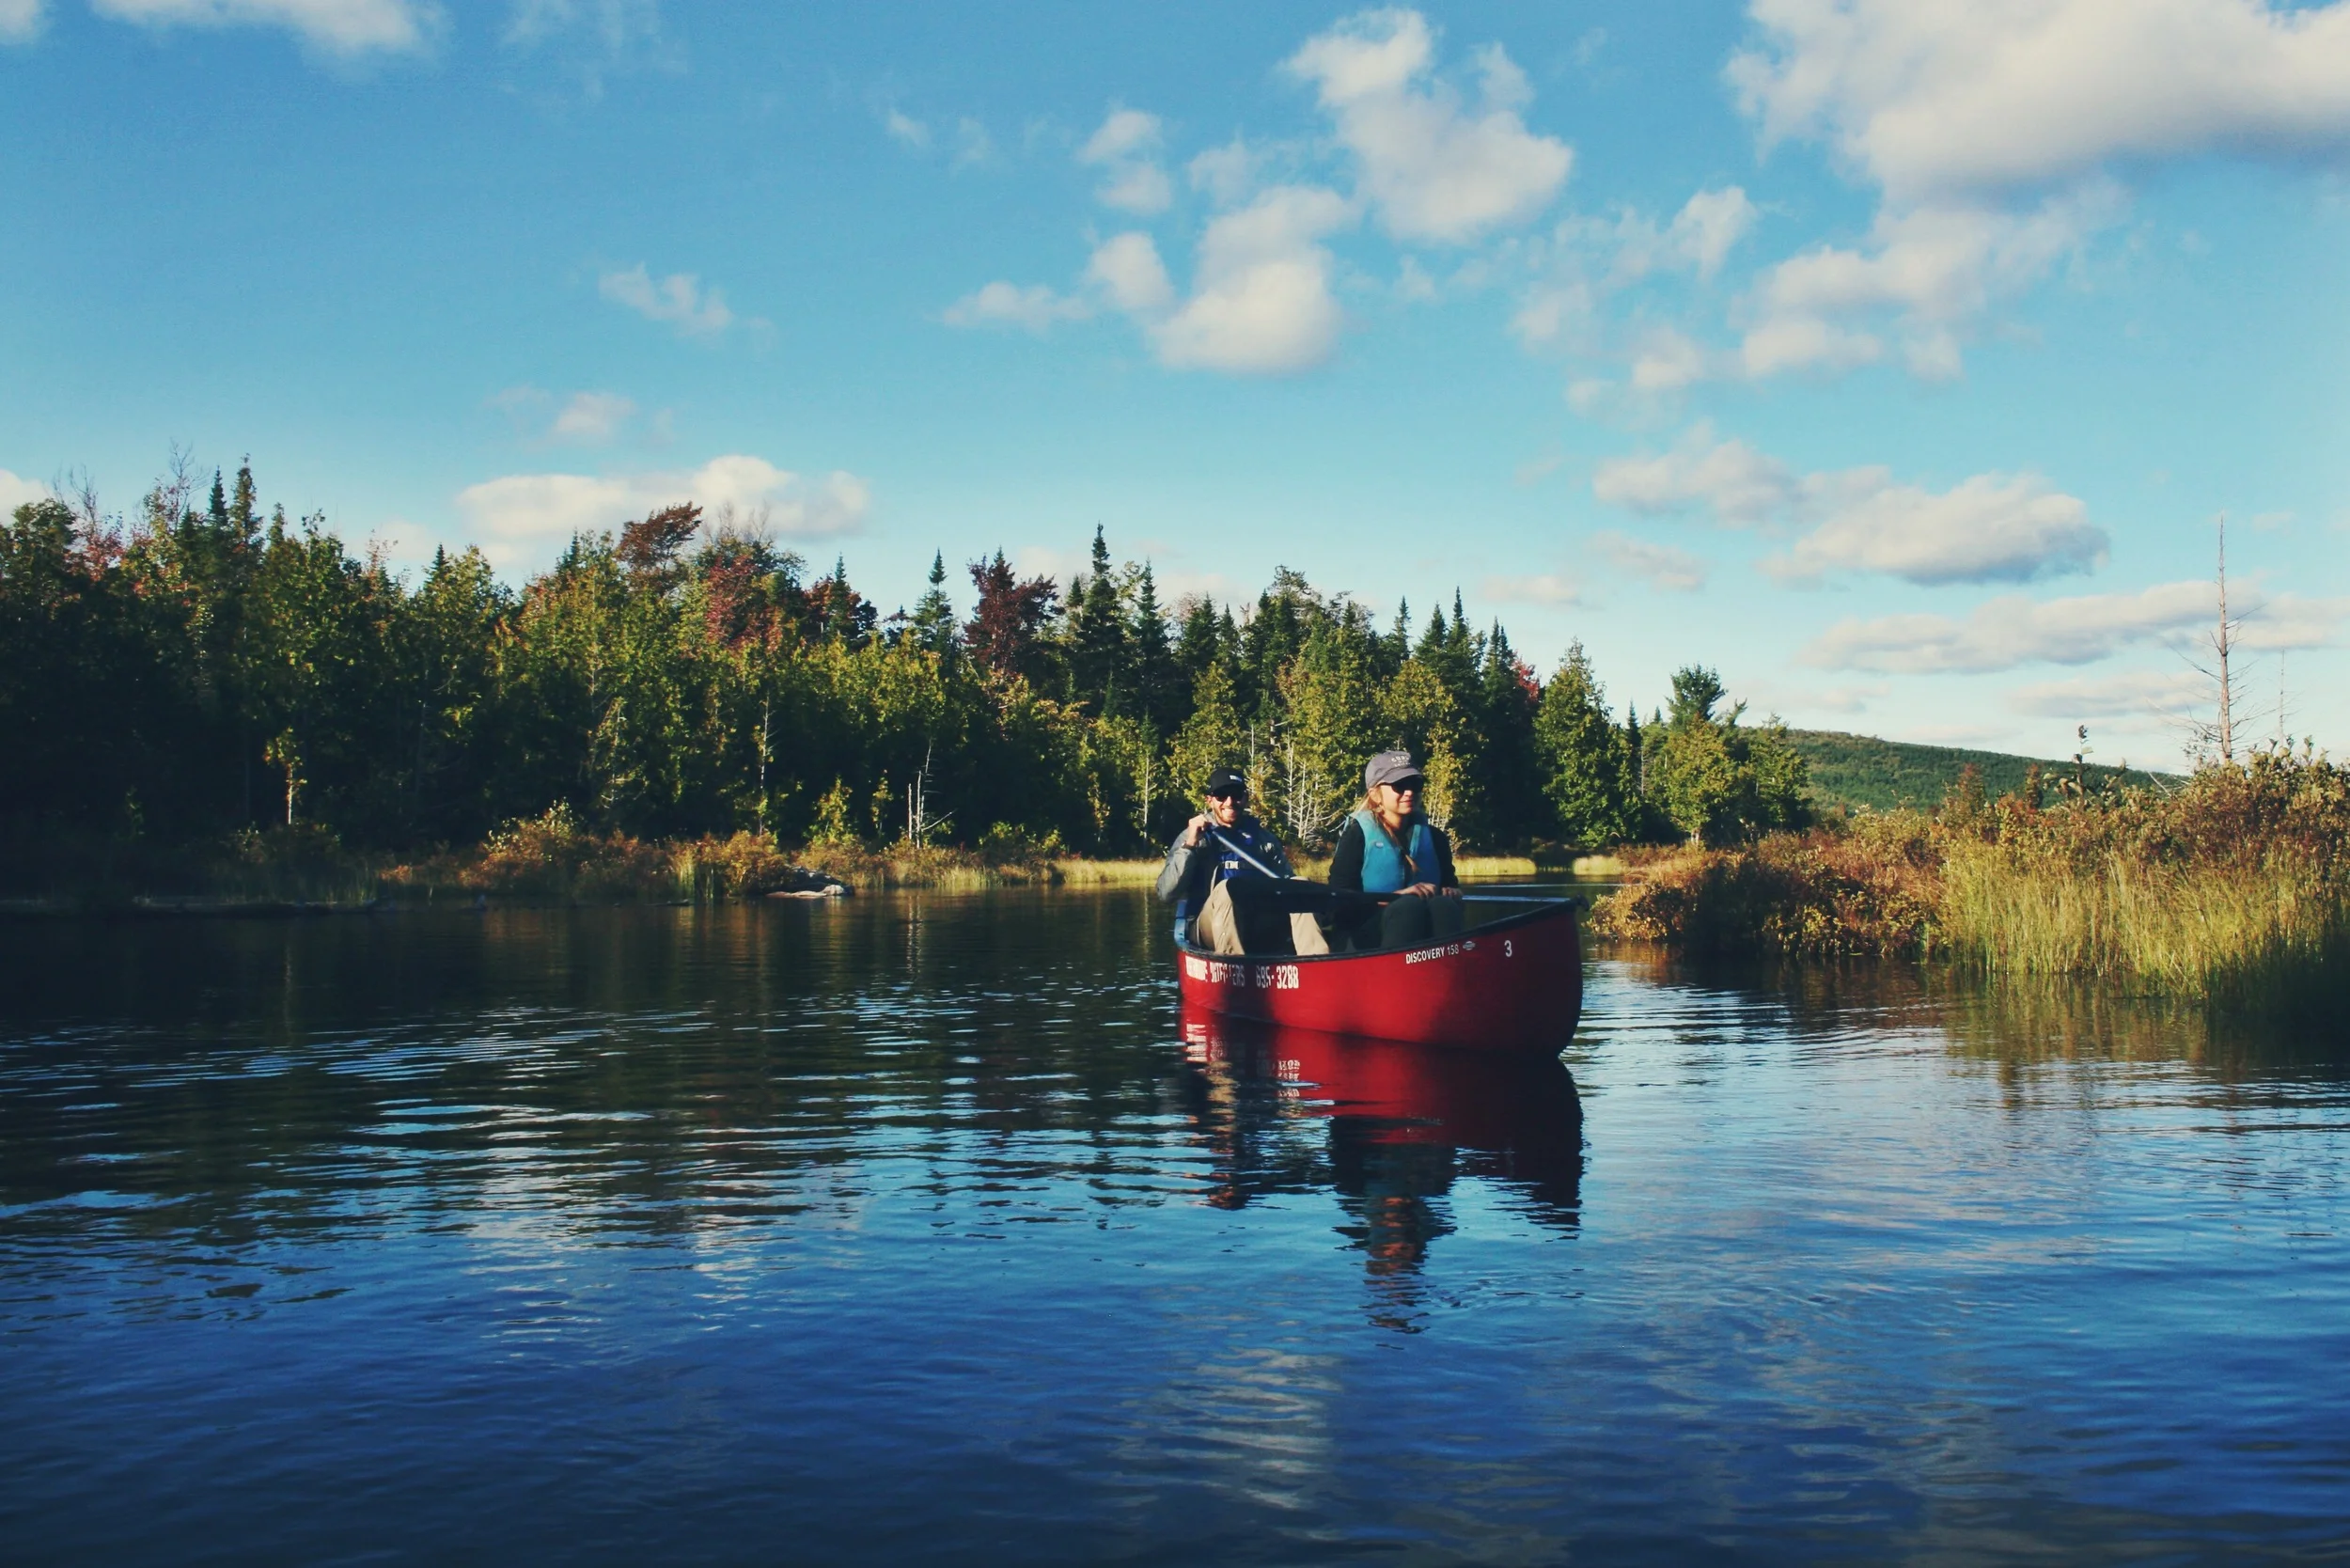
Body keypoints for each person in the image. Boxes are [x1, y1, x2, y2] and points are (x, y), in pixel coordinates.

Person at [1328, 749, 1465, 951]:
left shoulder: (1436, 838)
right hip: (1366, 934)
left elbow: (1449, 884)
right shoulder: (1357, 836)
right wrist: (1395, 897)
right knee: (1407, 907)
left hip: (1423, 931)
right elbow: (1339, 902)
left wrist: (1452, 892)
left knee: (1443, 906)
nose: (1409, 792)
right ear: (1375, 794)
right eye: (1399, 786)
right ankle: (1393, 975)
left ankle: (1451, 970)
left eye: (1415, 784)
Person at [1155, 768, 1292, 949]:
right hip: (1207, 927)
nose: (1229, 802)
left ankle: (1317, 960)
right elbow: (1166, 893)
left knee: (1301, 884)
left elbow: (1288, 886)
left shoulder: (1264, 840)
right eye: (1221, 795)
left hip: (1256, 923)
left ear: (1245, 798)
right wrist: (1190, 845)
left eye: (1236, 795)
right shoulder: (1192, 837)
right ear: (1210, 800)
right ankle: (1234, 967)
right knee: (1228, 890)